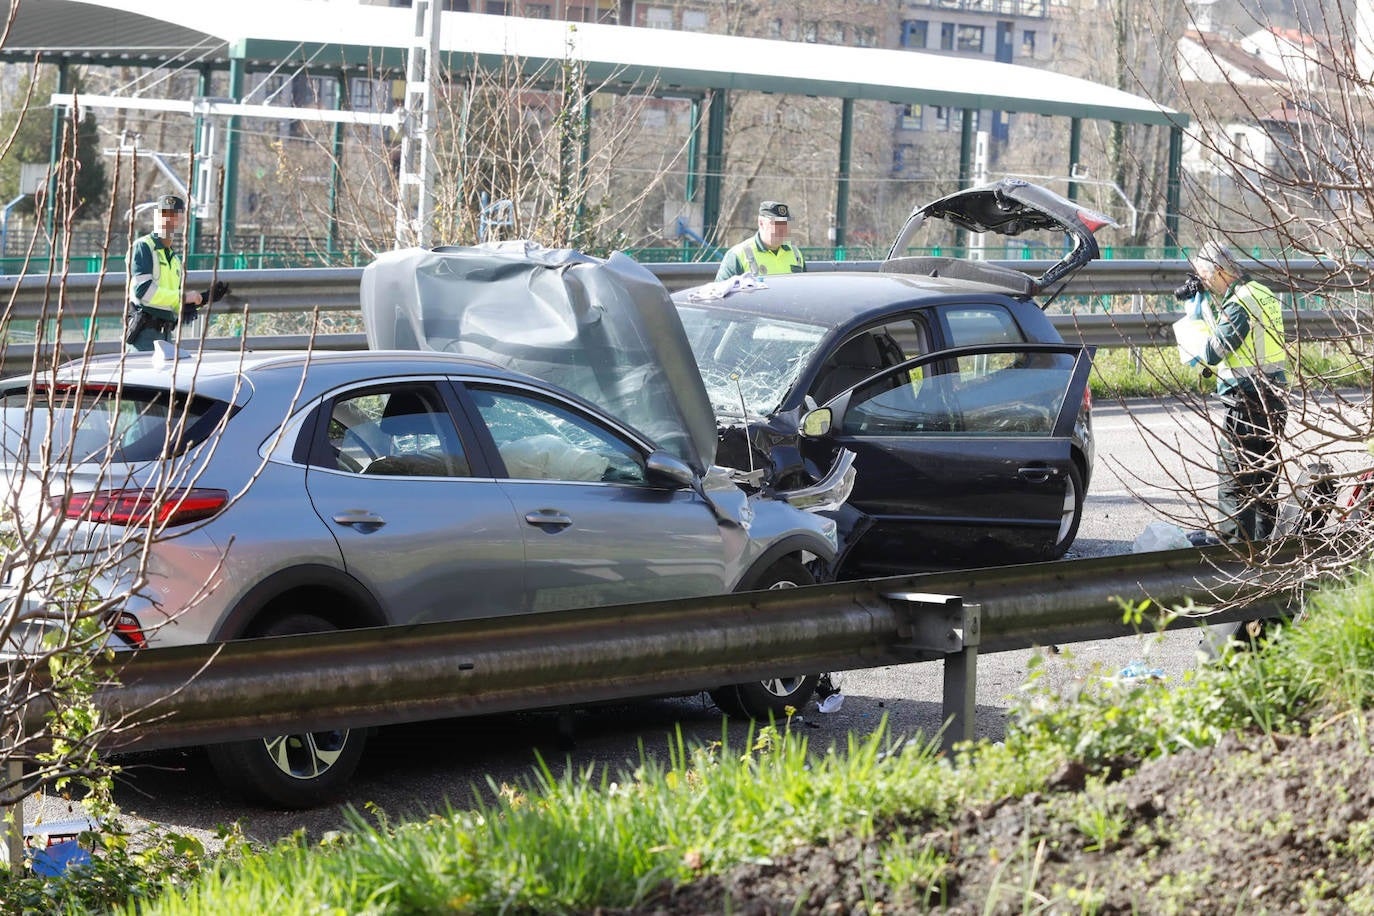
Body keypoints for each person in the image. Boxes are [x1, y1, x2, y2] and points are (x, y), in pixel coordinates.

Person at [1187, 240, 1289, 542]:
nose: (1205, 282)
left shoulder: (1240, 304)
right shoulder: (1261, 293)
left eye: (1205, 276)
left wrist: (1194, 321)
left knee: (1236, 480)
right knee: (1265, 478)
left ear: (1219, 271)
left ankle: (1235, 550)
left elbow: (1215, 351)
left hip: (1246, 403)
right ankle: (1262, 546)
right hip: (1273, 399)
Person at [126, 195, 227, 351]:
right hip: (143, 336)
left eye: (174, 216)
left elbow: (173, 304)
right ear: (156, 217)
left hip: (166, 336)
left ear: (182, 221)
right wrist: (185, 297)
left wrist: (204, 299)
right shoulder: (143, 247)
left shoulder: (175, 260)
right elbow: (143, 291)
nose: (169, 221)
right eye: (164, 215)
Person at [715, 200, 806, 281]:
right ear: (761, 223)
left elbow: (804, 291)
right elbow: (720, 294)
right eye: (776, 223)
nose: (781, 229)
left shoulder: (796, 254)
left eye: (785, 224)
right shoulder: (737, 255)